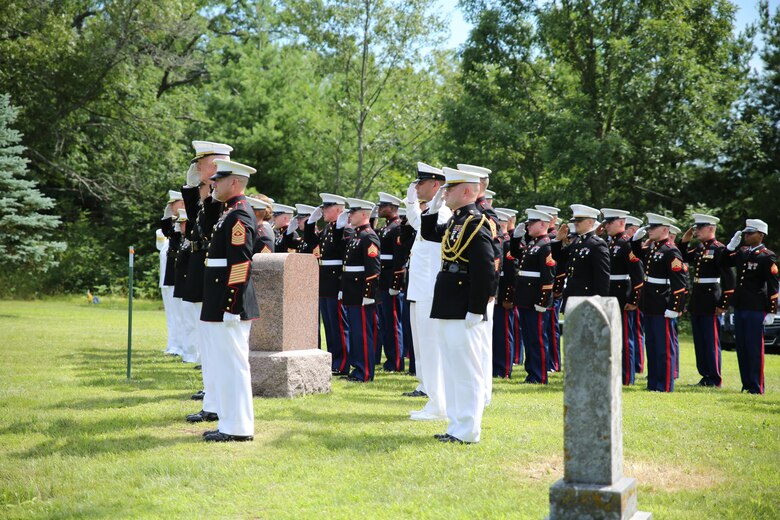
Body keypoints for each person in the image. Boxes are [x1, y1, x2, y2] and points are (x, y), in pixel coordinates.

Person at [421, 167, 494, 444]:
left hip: (464, 304)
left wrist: (476, 309)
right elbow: (430, 234)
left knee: (466, 370)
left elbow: (486, 269)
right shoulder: (457, 221)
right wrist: (433, 208)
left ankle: (468, 430)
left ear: (466, 191)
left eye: (449, 189)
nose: (445, 192)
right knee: (452, 369)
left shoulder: (477, 223)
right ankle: (456, 425)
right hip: (448, 300)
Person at [199, 159, 260, 442]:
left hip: (228, 303)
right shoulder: (228, 212)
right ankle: (228, 422)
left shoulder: (239, 216)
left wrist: (231, 306)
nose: (214, 184)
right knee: (223, 365)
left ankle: (238, 428)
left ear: (234, 182)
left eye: (219, 180)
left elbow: (241, 264)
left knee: (233, 366)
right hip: (218, 298)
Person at [181, 140, 231, 415]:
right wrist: (190, 190)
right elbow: (193, 227)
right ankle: (211, 393)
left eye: (201, 163)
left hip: (216, 274)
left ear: (213, 164)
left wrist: (203, 192)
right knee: (206, 339)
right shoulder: (210, 197)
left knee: (214, 341)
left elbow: (210, 230)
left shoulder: (222, 199)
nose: (197, 167)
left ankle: (214, 397)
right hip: (203, 268)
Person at [403, 163, 451, 418]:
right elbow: (416, 222)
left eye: (420, 183)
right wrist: (411, 203)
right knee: (424, 348)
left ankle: (437, 404)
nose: (416, 187)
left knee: (432, 349)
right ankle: (435, 400)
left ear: (436, 185)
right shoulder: (431, 214)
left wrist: (415, 206)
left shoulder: (441, 214)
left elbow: (422, 225)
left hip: (430, 291)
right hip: (421, 290)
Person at [631, 213, 688, 392]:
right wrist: (636, 237)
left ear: (664, 230)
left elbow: (680, 284)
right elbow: (636, 252)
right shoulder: (654, 248)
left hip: (662, 305)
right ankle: (653, 383)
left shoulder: (671, 251)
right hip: (650, 303)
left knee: (664, 348)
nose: (649, 231)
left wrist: (674, 307)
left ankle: (664, 385)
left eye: (652, 228)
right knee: (652, 346)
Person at [720, 219, 778, 394]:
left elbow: (773, 285)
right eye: (745, 232)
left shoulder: (767, 256)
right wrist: (730, 246)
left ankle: (756, 386)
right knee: (742, 347)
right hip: (740, 305)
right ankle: (746, 384)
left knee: (754, 348)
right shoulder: (743, 252)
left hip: (756, 307)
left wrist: (771, 311)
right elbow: (722, 262)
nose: (746, 236)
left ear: (761, 235)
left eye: (750, 233)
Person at [457, 163, 498, 405]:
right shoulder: (467, 213)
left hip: (483, 288)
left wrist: (490, 290)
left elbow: (493, 255)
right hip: (474, 286)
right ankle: (479, 393)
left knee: (480, 344)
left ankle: (482, 394)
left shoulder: (485, 214)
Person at [679, 214, 734, 388]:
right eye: (695, 228)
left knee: (711, 341)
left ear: (711, 228)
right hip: (698, 300)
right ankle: (705, 376)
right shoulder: (700, 248)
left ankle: (714, 378)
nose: (696, 232)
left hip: (712, 300)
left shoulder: (719, 249)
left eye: (699, 228)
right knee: (700, 341)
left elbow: (729, 280)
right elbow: (681, 256)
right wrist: (684, 240)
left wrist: (723, 304)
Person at [304, 193, 352, 375]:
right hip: (325, 282)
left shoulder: (345, 229)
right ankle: (333, 361)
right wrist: (310, 224)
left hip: (336, 282)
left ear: (339, 210)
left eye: (327, 208)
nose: (323, 210)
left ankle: (342, 363)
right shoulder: (327, 229)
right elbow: (311, 242)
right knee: (330, 326)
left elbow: (343, 254)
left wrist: (342, 286)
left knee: (339, 326)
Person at [511, 209, 556, 384]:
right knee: (529, 339)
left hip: (536, 300)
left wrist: (542, 301)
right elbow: (515, 255)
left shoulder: (546, 245)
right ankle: (532, 373)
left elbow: (548, 277)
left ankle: (540, 375)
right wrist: (516, 237)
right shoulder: (533, 244)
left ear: (543, 224)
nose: (528, 225)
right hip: (525, 298)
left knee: (537, 339)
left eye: (532, 223)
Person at [339, 198, 381, 382]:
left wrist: (368, 295)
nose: (350, 215)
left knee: (362, 334)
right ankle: (357, 368)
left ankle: (364, 372)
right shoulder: (356, 236)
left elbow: (373, 270)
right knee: (356, 333)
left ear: (364, 214)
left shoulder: (368, 236)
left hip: (361, 294)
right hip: (351, 291)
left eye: (353, 212)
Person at [601, 208, 644, 385]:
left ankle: (627, 377)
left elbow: (638, 276)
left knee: (625, 339)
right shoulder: (610, 243)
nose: (606, 226)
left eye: (609, 223)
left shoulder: (627, 243)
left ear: (620, 223)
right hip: (610, 294)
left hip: (622, 295)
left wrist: (634, 300)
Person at [552, 204, 610, 311]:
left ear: (590, 222)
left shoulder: (597, 244)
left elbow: (602, 277)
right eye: (575, 220)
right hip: (572, 296)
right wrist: (557, 240)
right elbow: (559, 257)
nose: (576, 223)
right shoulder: (578, 242)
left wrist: (599, 302)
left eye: (579, 220)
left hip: (588, 298)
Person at [373, 192, 406, 372]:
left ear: (392, 208)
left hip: (391, 281)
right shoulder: (387, 227)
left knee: (394, 323)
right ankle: (390, 360)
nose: (379, 208)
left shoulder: (397, 228)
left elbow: (399, 259)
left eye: (382, 206)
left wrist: (396, 283)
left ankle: (397, 362)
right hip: (383, 280)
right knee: (386, 322)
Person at [536, 204, 563, 372]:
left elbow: (560, 267)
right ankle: (549, 361)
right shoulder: (542, 239)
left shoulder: (555, 238)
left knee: (551, 328)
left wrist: (556, 289)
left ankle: (553, 362)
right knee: (545, 329)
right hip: (542, 287)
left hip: (551, 288)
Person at [493, 209, 516, 378]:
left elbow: (511, 275)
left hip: (503, 295)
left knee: (504, 335)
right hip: (494, 292)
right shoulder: (497, 241)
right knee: (495, 334)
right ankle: (495, 367)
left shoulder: (508, 244)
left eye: (500, 223)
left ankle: (505, 369)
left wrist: (508, 297)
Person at [625, 214, 646, 375]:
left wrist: (635, 297)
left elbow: (638, 275)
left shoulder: (633, 248)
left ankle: (637, 364)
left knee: (636, 331)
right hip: (629, 291)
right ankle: (636, 364)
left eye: (628, 229)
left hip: (635, 292)